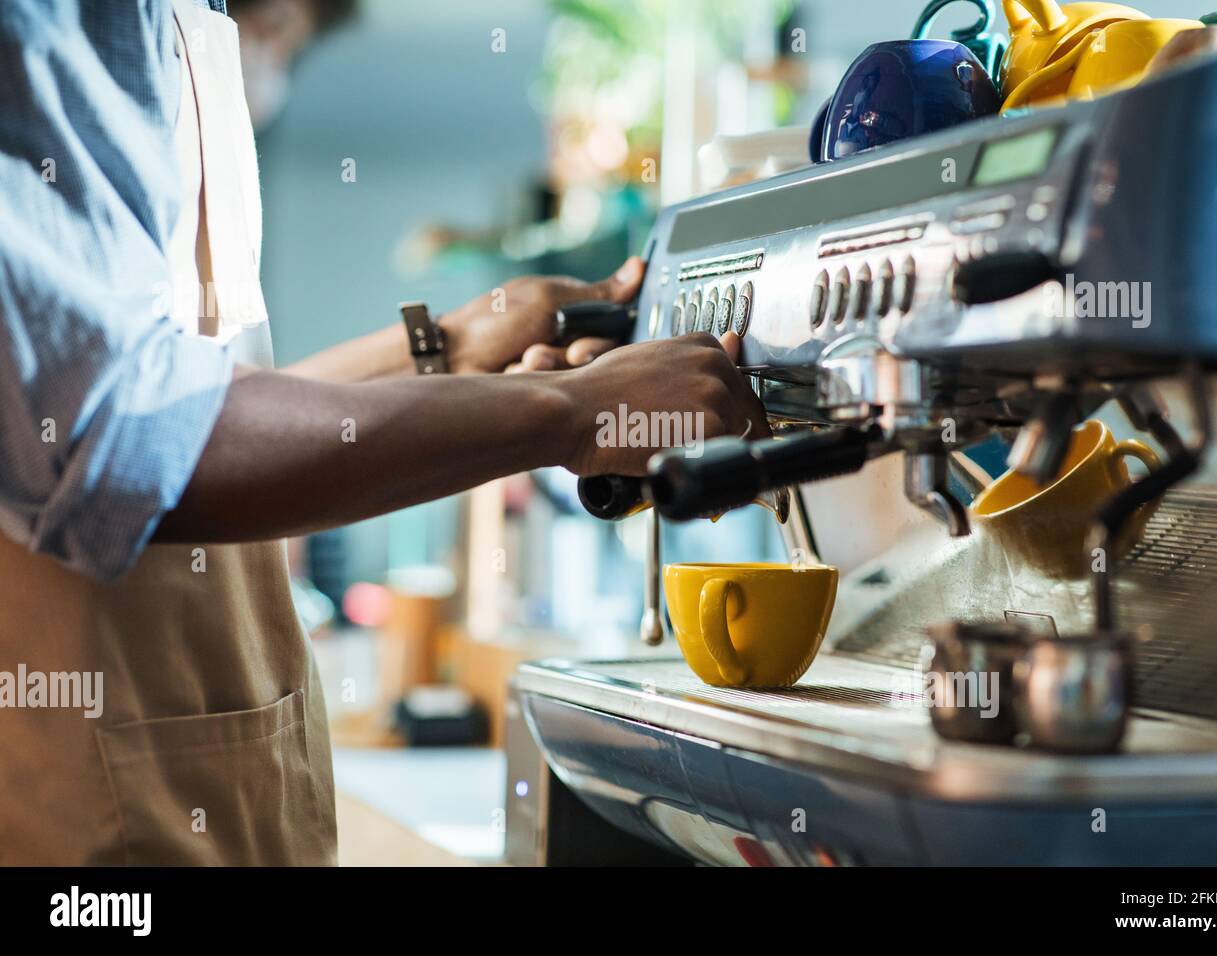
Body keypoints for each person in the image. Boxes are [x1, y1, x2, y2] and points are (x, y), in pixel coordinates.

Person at [0, 0, 764, 865]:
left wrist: (449, 347)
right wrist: (575, 414)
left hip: (198, 808)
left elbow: (192, 401)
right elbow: (115, 440)